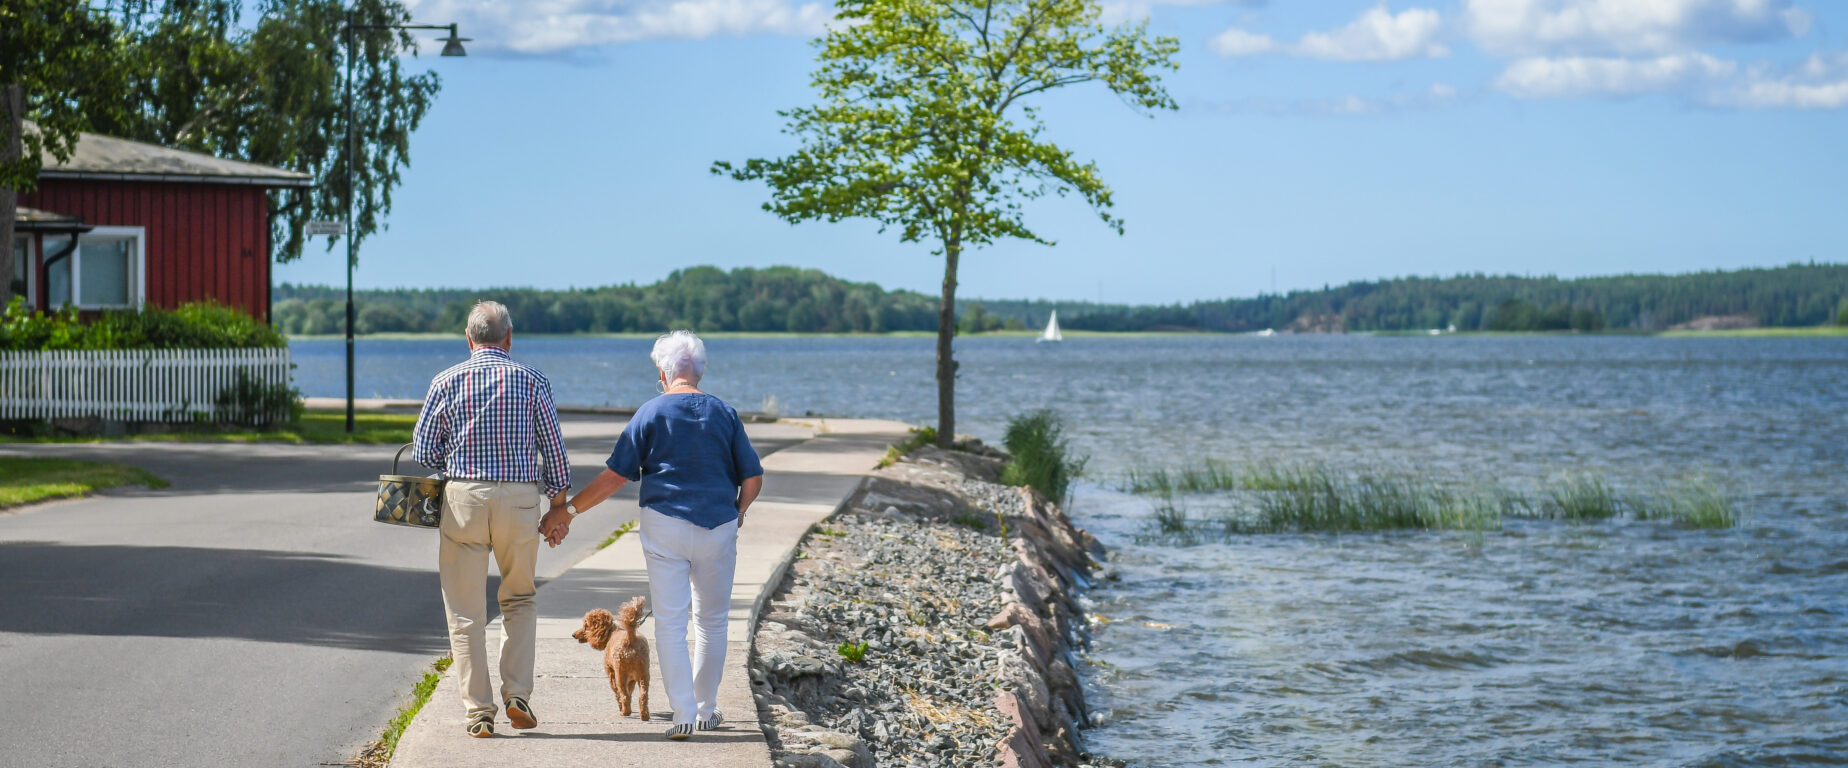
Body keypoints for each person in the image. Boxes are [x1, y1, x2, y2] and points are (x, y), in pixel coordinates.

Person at [544, 329, 764, 740]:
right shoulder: (725, 413)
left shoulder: (649, 412)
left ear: (664, 374)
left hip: (664, 525)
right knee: (713, 623)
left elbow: (614, 477)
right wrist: (738, 512)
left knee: (670, 623)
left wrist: (568, 511)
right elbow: (752, 478)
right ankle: (705, 709)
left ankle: (681, 713)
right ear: (698, 371)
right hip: (717, 525)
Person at [412, 300, 572, 739]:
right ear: (509, 337)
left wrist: (457, 459)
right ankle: (517, 693)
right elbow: (554, 452)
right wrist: (560, 506)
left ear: (468, 339)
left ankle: (479, 711)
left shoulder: (445, 381)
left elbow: (424, 453)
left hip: (464, 497)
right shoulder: (533, 380)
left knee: (465, 614)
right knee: (519, 598)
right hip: (519, 500)